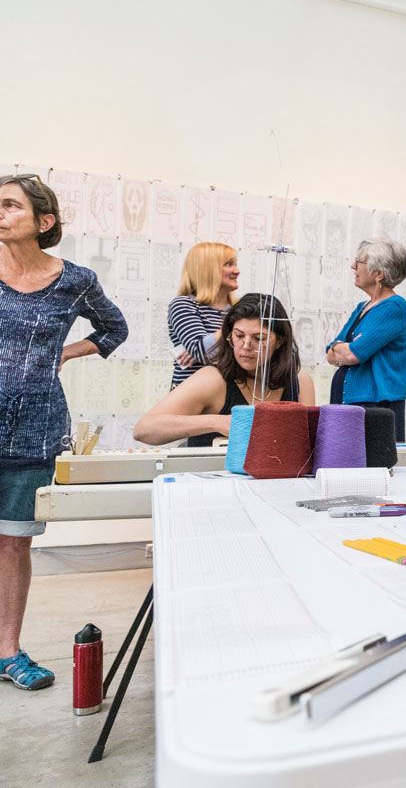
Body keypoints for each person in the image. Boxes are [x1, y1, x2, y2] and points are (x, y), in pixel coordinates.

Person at [0, 174, 127, 691]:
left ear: (43, 221)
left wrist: (65, 353)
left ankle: (7, 651)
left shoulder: (75, 280)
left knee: (13, 544)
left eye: (9, 205)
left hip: (33, 432)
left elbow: (114, 329)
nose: (0, 212)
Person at [135, 293, 314, 447]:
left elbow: (305, 445)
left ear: (280, 341)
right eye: (239, 335)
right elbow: (144, 429)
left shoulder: (300, 383)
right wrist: (219, 422)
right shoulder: (213, 380)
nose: (246, 346)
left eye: (259, 338)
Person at [326, 238, 406, 441]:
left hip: (376, 405)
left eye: (359, 262)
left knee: (373, 467)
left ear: (378, 274)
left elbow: (354, 354)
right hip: (347, 401)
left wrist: (343, 350)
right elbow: (330, 352)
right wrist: (340, 350)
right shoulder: (362, 307)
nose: (353, 266)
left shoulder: (394, 307)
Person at [168, 242, 239, 387]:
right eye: (228, 264)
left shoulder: (237, 309)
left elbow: (253, 354)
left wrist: (209, 346)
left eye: (235, 264)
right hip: (191, 396)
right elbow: (202, 352)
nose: (237, 271)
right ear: (207, 270)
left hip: (229, 392)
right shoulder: (183, 304)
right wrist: (235, 331)